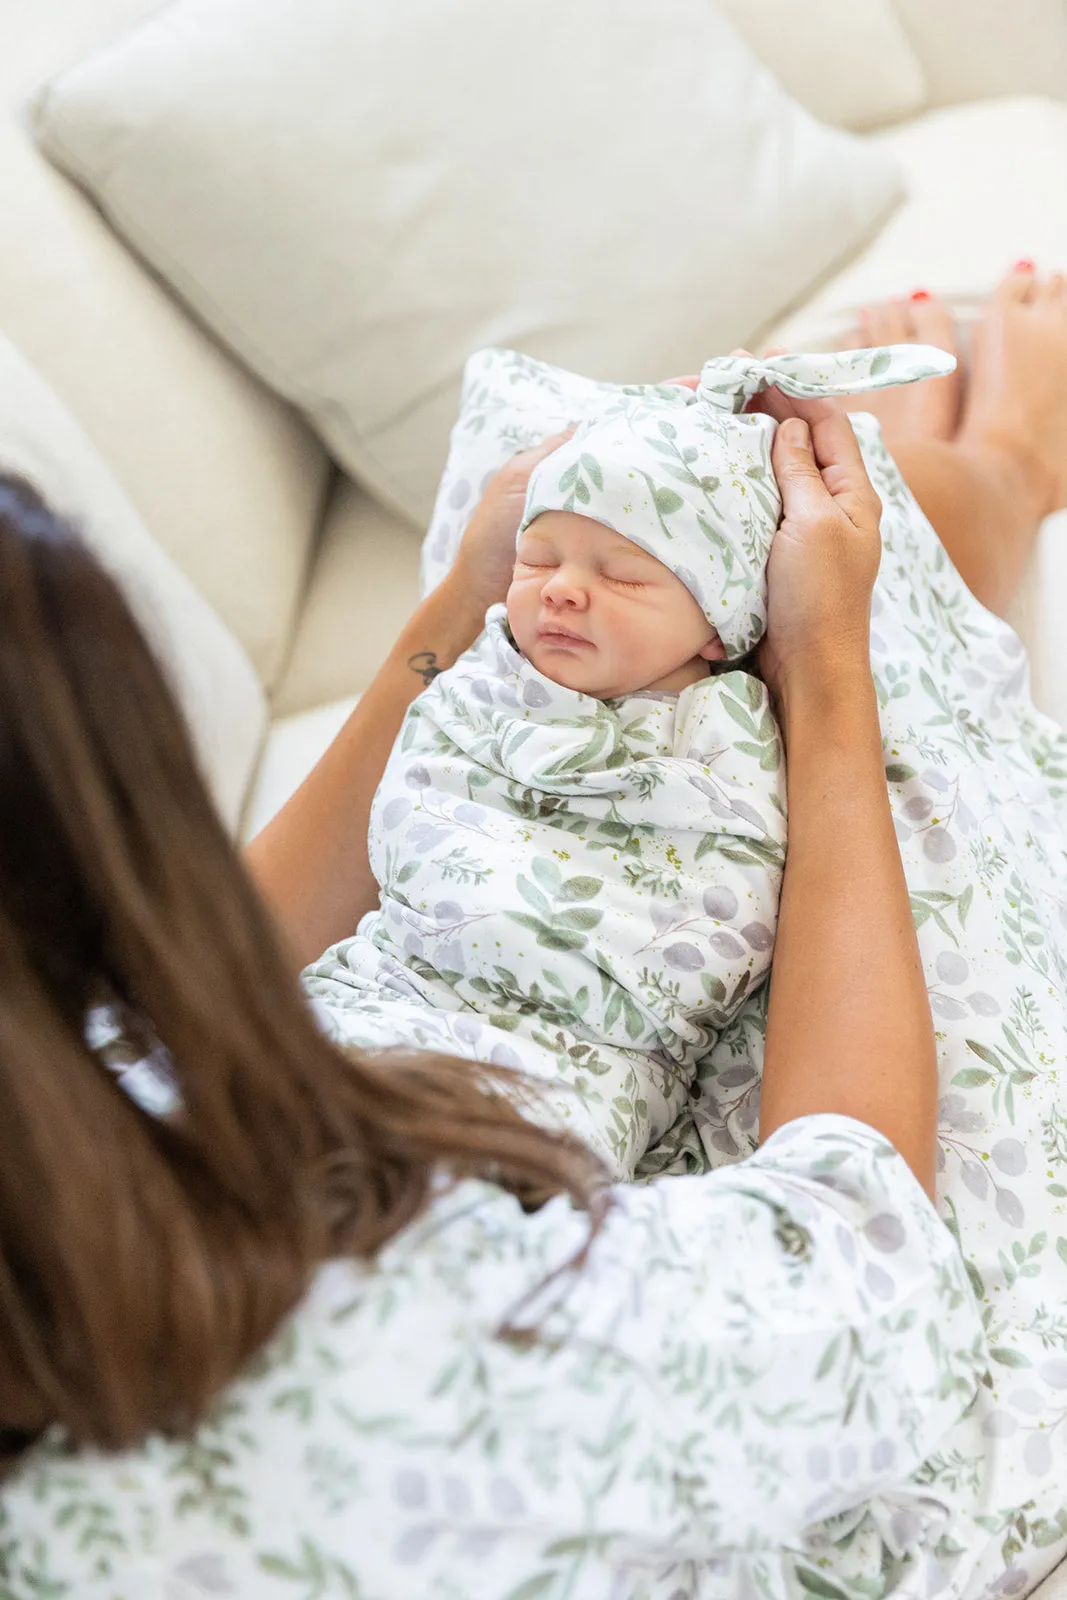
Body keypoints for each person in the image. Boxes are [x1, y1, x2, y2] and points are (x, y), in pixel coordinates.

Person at [0, 266, 1063, 1600]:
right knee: (910, 783)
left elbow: (193, 979)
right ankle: (1010, 465)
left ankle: (957, 490)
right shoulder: (406, 1354)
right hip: (771, 1360)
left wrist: (465, 597)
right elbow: (861, 1269)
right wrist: (824, 673)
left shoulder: (70, 1104)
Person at [301, 346, 946, 1182]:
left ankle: (966, 459)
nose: (560, 590)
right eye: (537, 561)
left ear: (719, 628)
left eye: (622, 575)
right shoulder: (489, 677)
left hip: (551, 1066)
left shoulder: (728, 739)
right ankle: (973, 460)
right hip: (384, 1018)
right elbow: (422, 783)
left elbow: (735, 891)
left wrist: (813, 658)